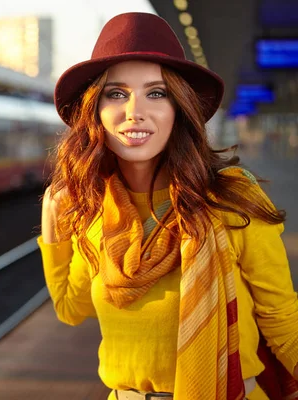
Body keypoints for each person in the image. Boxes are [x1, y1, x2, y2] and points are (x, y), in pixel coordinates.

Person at [39, 12, 298, 400]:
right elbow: (69, 307)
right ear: (95, 110)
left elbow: (282, 318)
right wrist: (53, 225)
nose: (134, 112)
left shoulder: (230, 197)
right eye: (116, 93)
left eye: (156, 93)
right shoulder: (94, 211)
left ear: (179, 108)